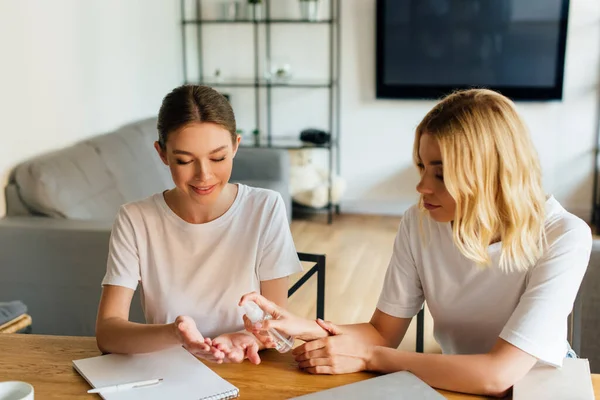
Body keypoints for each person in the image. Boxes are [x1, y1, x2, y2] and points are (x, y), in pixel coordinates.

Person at [240, 89, 592, 397]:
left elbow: (498, 375)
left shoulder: (564, 235)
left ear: (489, 173)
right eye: (421, 167)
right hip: (457, 380)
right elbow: (382, 333)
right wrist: (299, 325)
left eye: (440, 173)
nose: (422, 186)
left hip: (542, 387)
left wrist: (370, 358)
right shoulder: (420, 222)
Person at [95, 85, 302, 365]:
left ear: (236, 146)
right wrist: (176, 334)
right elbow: (108, 333)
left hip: (245, 368)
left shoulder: (265, 208)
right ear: (162, 154)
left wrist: (245, 339)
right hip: (167, 371)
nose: (203, 175)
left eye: (218, 158)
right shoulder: (135, 219)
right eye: (184, 160)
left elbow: (277, 324)